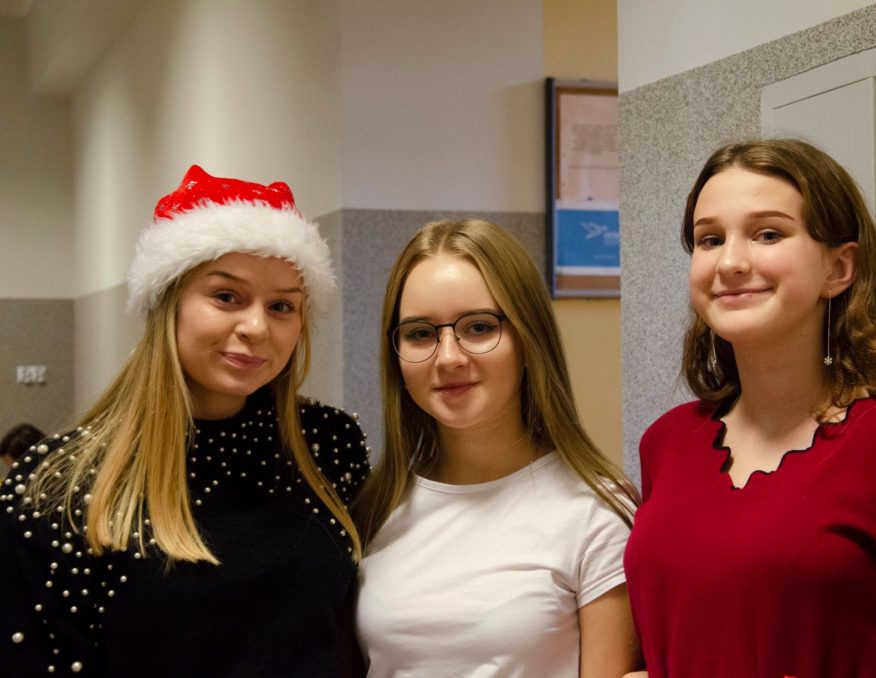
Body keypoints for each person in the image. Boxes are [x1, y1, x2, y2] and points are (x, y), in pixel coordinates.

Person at [622, 138, 876, 677]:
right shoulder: (667, 443)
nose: (731, 262)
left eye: (768, 234)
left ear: (839, 268)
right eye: (709, 239)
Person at [0, 165, 369, 677]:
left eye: (282, 305)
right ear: (167, 303)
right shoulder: (59, 485)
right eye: (226, 297)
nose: (257, 326)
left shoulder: (327, 444)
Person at [354, 219, 641, 677]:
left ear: (528, 338)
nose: (449, 357)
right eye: (420, 334)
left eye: (479, 327)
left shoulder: (596, 511)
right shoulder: (374, 506)